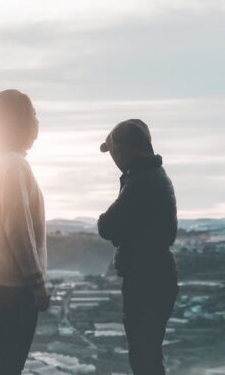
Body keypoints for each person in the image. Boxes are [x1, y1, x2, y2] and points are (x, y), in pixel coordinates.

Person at [0, 90, 50, 375]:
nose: (36, 121)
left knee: (7, 361)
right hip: (17, 283)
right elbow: (18, 229)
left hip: (5, 280)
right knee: (11, 363)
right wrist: (37, 281)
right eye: (32, 114)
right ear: (18, 121)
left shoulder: (1, 162)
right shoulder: (13, 165)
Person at [97, 119, 179, 375]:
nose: (113, 158)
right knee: (148, 355)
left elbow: (106, 226)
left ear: (126, 150)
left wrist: (121, 232)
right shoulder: (152, 176)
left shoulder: (140, 182)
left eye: (113, 151)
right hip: (154, 276)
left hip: (147, 280)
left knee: (144, 359)